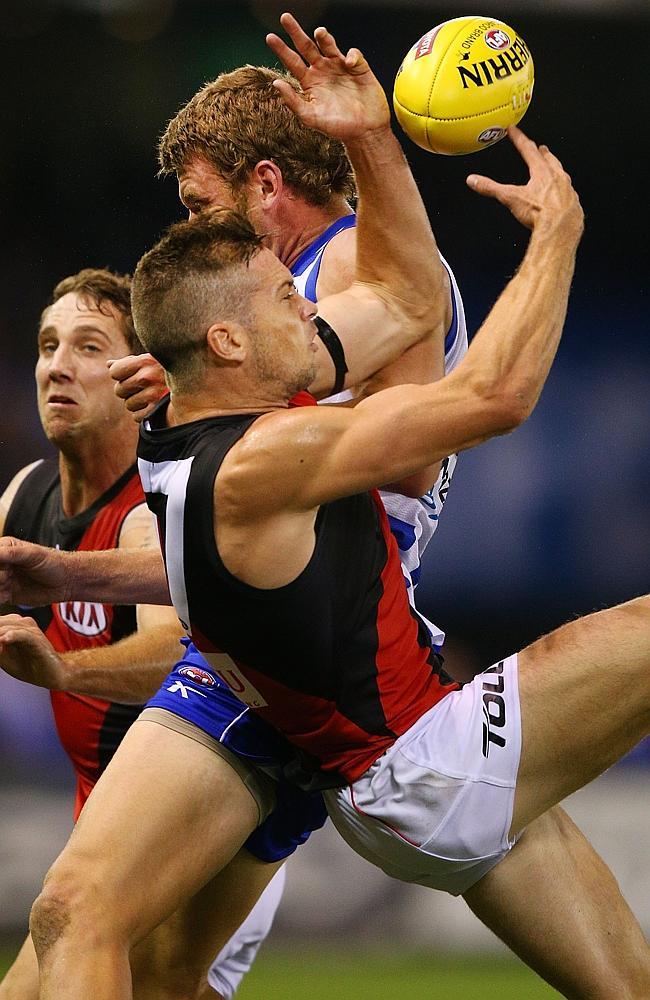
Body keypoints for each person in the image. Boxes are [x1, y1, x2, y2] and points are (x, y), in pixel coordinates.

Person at [3, 15, 647, 999]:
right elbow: (429, 363)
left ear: (263, 184)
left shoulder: (307, 291)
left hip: (321, 677)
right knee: (101, 930)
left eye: (199, 203)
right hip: (296, 680)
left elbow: (406, 317)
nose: (196, 232)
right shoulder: (261, 365)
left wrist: (371, 142)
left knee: (98, 923)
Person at [0, 269, 288, 1000]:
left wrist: (62, 672)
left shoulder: (155, 508)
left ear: (138, 376)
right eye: (46, 344)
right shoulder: (25, 495)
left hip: (198, 822)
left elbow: (173, 650)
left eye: (88, 346)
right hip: (106, 821)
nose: (56, 365)